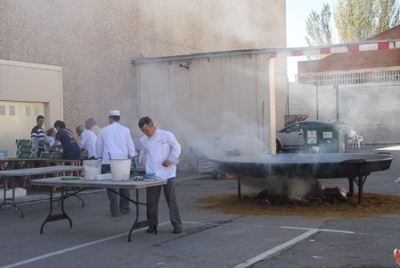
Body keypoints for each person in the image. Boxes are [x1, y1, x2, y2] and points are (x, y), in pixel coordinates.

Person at [138, 116, 182, 234]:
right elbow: (142, 155)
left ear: (152, 126)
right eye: (143, 131)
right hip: (152, 174)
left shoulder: (166, 135)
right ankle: (152, 224)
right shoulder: (143, 140)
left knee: (171, 198)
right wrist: (140, 161)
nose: (145, 133)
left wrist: (170, 159)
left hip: (168, 172)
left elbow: (177, 147)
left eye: (147, 130)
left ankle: (177, 224)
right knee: (151, 200)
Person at [96, 110, 136, 217]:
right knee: (124, 184)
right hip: (123, 161)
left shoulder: (103, 130)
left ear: (111, 119)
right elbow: (130, 144)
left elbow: (99, 147)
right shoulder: (125, 130)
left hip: (108, 161)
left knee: (111, 186)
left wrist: (99, 157)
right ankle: (124, 206)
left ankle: (114, 210)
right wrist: (132, 156)